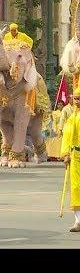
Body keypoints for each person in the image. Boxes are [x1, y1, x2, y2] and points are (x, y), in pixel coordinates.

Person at [59, 86, 80, 232]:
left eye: (79, 99)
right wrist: (66, 154)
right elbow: (67, 137)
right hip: (75, 157)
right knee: (75, 187)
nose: (77, 102)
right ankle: (78, 221)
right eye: (76, 99)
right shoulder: (71, 117)